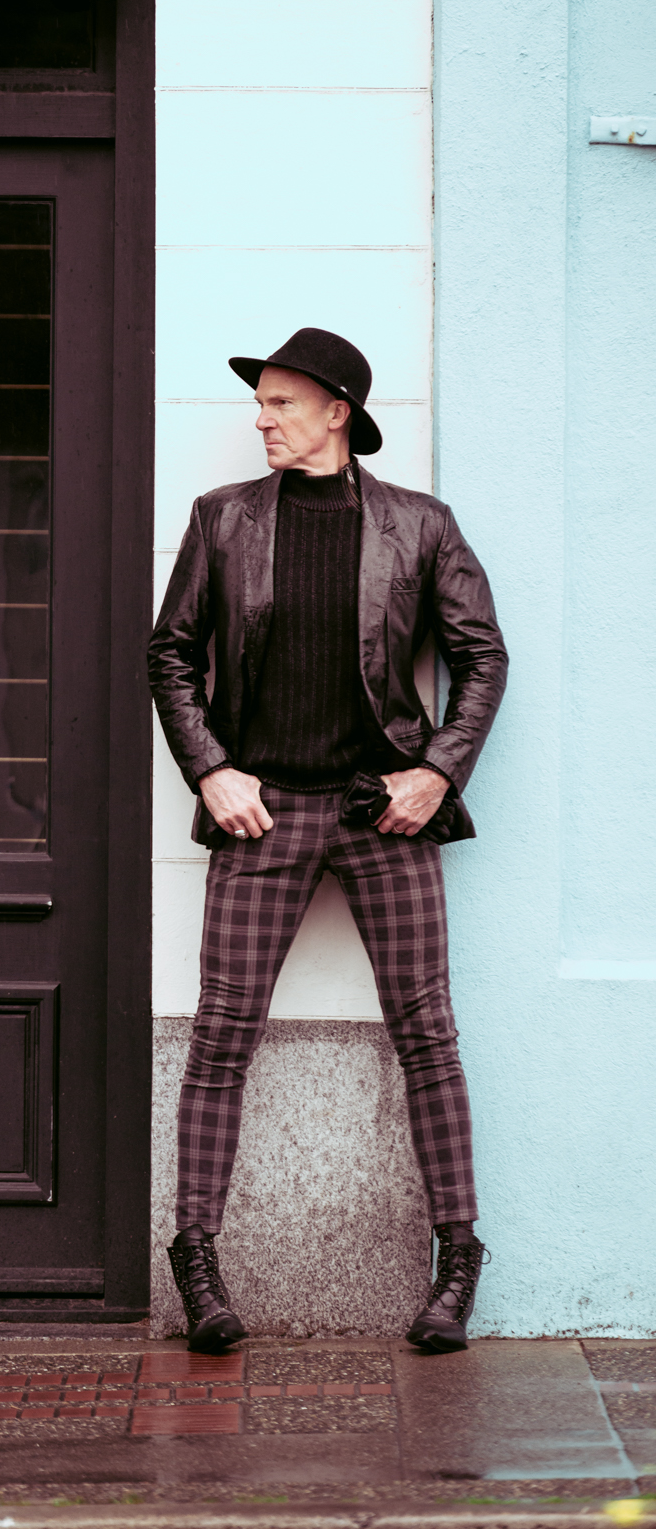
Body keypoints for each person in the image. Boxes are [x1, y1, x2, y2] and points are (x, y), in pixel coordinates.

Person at [148, 328, 508, 1355]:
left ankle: (457, 1260)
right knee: (221, 1036)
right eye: (261, 402)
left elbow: (483, 656)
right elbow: (171, 653)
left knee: (427, 1035)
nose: (262, 418)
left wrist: (436, 771)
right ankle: (199, 1263)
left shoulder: (419, 525)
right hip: (261, 810)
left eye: (282, 403)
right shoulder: (222, 522)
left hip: (379, 810)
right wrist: (212, 768)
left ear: (338, 410)